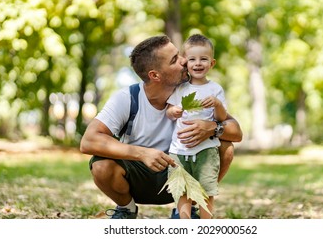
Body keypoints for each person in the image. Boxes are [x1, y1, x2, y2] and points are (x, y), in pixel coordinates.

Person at [80, 35, 243, 219]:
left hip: (182, 169)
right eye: (175, 59)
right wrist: (142, 153)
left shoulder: (192, 93)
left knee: (225, 147)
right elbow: (88, 141)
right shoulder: (127, 98)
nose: (184, 61)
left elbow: (236, 132)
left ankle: (188, 209)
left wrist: (213, 128)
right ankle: (126, 209)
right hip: (138, 178)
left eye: (179, 55)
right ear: (155, 75)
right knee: (101, 165)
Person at [166, 34, 227, 219]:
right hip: (179, 150)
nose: (198, 63)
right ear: (186, 63)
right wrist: (173, 111)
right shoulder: (181, 88)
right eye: (192, 59)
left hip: (206, 150)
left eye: (203, 59)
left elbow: (221, 118)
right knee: (182, 190)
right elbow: (169, 111)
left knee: (206, 190)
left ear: (212, 63)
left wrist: (217, 104)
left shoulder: (215, 89)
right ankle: (185, 222)